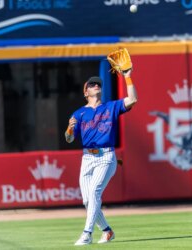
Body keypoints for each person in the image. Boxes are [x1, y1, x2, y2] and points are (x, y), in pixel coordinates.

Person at [65, 69, 138, 246]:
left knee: (95, 191)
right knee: (87, 200)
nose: (96, 85)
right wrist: (68, 129)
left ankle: (87, 234)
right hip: (87, 158)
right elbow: (69, 139)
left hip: (106, 156)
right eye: (91, 84)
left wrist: (127, 76)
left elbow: (133, 99)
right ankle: (107, 231)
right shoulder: (79, 114)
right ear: (86, 92)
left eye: (98, 84)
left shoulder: (110, 107)